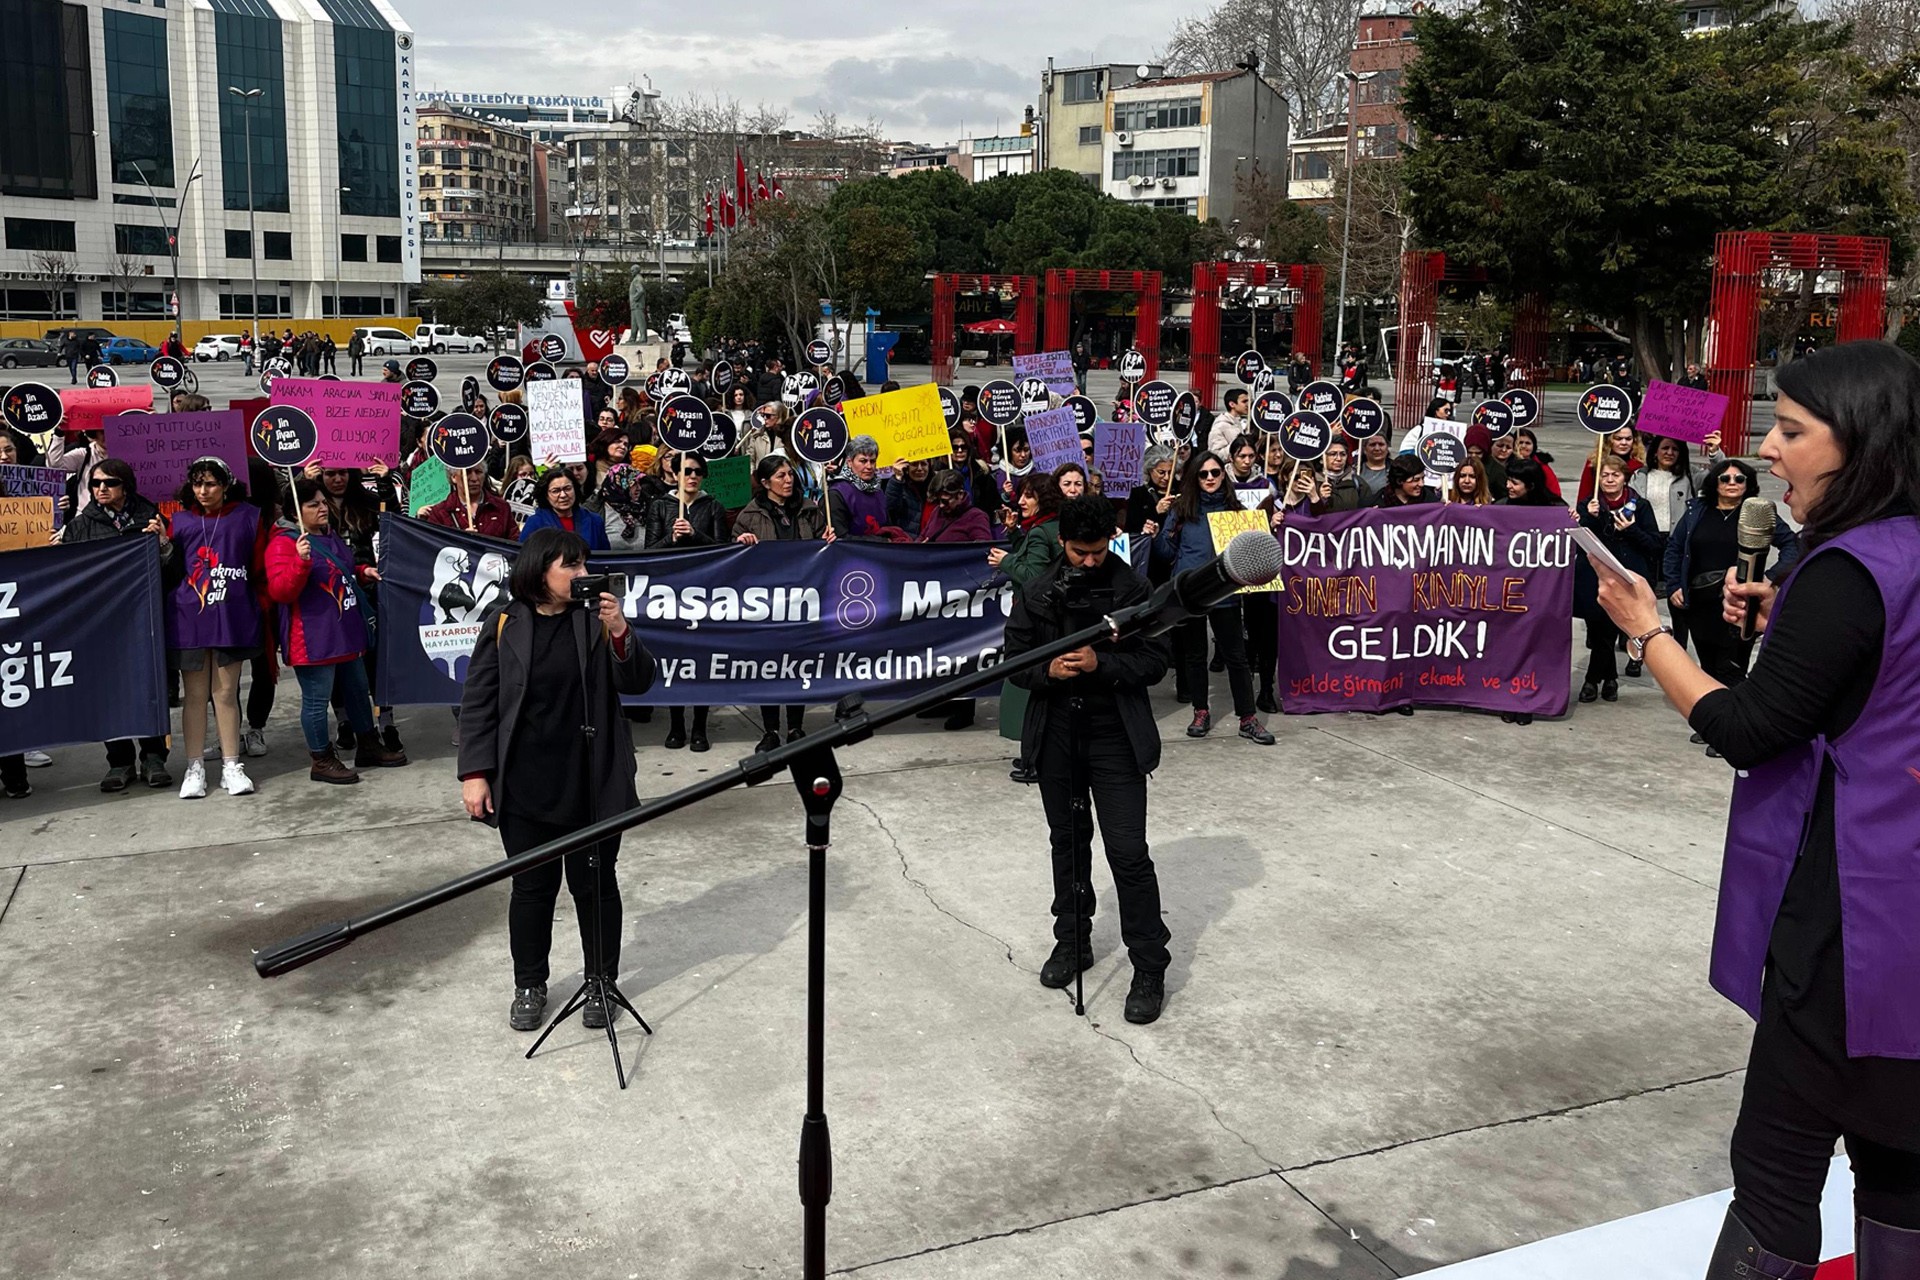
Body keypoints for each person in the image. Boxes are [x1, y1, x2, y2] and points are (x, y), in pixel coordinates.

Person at [1589, 341, 1920, 1279]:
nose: (1765, 450)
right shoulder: (1896, 555)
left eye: (1790, 429)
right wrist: (1793, 622)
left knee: (1777, 1175)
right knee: (1900, 1165)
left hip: (1847, 930)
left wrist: (1648, 632)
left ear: (1861, 445)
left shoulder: (1848, 569)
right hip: (1910, 917)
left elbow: (1748, 727)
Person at [458, 528, 659, 1032]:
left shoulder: (594, 619)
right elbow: (480, 701)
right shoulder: (505, 621)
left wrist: (619, 631)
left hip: (591, 777)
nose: (583, 575)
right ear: (539, 570)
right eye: (570, 566)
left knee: (594, 885)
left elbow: (638, 682)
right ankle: (530, 983)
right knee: (531, 888)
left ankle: (600, 981)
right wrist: (476, 773)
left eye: (585, 565)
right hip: (525, 781)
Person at [1002, 494, 1174, 1024]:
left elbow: (1154, 661)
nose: (1090, 561)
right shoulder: (1036, 591)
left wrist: (1103, 663)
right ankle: (1073, 940)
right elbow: (1014, 662)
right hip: (1058, 733)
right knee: (1068, 843)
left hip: (1115, 736)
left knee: (1127, 852)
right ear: (1062, 543)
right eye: (1080, 552)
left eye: (1099, 551)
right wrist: (1045, 673)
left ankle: (1149, 963)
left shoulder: (1134, 588)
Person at [264, 479, 408, 783]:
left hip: (344, 630)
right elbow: (280, 591)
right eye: (313, 504)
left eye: (323, 502)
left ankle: (368, 744)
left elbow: (340, 569)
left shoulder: (328, 535)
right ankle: (321, 758)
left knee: (357, 690)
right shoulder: (282, 543)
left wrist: (361, 573)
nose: (323, 508)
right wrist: (300, 562)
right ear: (295, 510)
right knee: (317, 699)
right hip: (312, 637)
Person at [60, 458, 176, 790]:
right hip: (102, 624)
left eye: (108, 483)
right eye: (95, 484)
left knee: (148, 688)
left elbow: (172, 574)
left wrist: (164, 545)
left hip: (144, 620)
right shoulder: (81, 525)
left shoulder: (150, 518)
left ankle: (153, 757)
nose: (101, 489)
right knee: (109, 692)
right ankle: (120, 761)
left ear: (126, 485)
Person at [1661, 457, 1799, 729]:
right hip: (1700, 603)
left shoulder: (1757, 513)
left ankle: (1735, 725)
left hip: (1739, 603)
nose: (1732, 483)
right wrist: (1674, 584)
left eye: (1739, 479)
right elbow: (1675, 549)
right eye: (1725, 478)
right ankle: (1715, 722)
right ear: (1715, 483)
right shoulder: (1697, 510)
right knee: (1709, 665)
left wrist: (1771, 579)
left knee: (1732, 667)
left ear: (1748, 485)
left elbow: (1792, 548)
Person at [1153, 451, 1274, 745]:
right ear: (1194, 477)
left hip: (1225, 592)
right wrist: (1163, 527)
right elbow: (1164, 554)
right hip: (1191, 593)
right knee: (1195, 656)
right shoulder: (1181, 509)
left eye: (1215, 473)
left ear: (1224, 475)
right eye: (1203, 474)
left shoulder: (1236, 510)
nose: (1210, 478)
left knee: (1237, 657)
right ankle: (1201, 711)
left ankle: (1247, 717)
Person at [165, 457, 266, 798]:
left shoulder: (248, 517)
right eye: (197, 484)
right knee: (194, 695)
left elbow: (258, 567)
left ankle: (231, 765)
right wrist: (161, 545)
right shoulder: (176, 521)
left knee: (225, 693)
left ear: (225, 485)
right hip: (188, 618)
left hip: (232, 616)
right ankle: (194, 767)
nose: (203, 491)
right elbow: (169, 569)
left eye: (210, 483)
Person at [733, 455, 831, 749]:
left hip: (802, 599)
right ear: (765, 483)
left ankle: (796, 728)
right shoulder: (748, 517)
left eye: (790, 474)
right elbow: (732, 559)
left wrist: (827, 542)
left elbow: (822, 551)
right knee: (769, 666)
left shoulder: (810, 510)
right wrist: (740, 543)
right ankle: (771, 730)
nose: (788, 480)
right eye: (780, 476)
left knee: (797, 664)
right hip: (767, 603)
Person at [646, 453, 725, 752]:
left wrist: (695, 534)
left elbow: (721, 550)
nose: (692, 476)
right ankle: (676, 724)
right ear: (675, 473)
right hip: (671, 592)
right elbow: (649, 551)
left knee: (702, 659)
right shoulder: (661, 506)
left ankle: (700, 727)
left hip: (704, 593)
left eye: (698, 472)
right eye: (687, 471)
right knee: (675, 660)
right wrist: (671, 539)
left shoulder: (713, 506)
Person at [1575, 455, 1661, 704]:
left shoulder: (1640, 506)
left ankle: (1592, 680)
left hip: (1627, 579)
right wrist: (1588, 517)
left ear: (1625, 478)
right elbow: (1580, 542)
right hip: (1594, 579)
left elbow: (1655, 544)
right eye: (1604, 475)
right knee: (1598, 630)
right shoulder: (1588, 504)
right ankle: (1609, 678)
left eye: (1615, 475)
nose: (1609, 480)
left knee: (1609, 631)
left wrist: (1630, 530)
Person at [421, 461, 517, 538]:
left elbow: (515, 544)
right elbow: (434, 550)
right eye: (467, 472)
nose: (474, 478)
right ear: (454, 477)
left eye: (478, 472)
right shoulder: (440, 513)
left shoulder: (502, 507)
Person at [520, 469, 609, 550]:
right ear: (546, 495)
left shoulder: (594, 521)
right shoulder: (535, 522)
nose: (563, 495)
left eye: (567, 489)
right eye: (556, 491)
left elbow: (604, 560)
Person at [827, 435, 894, 539]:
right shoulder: (837, 494)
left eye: (872, 461)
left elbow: (887, 526)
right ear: (849, 462)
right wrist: (879, 542)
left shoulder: (878, 491)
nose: (869, 466)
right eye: (863, 461)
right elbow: (840, 538)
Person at [1577, 426, 1646, 507]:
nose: (1624, 443)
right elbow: (1584, 494)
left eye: (1628, 439)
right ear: (1608, 440)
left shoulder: (1639, 464)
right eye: (1618, 438)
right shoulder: (1595, 461)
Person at [1372, 455, 1437, 508]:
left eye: (1422, 478)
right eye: (1416, 480)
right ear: (1399, 481)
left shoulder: (1430, 500)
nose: (1421, 484)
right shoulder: (1378, 501)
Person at [1207, 388, 1251, 456]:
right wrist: (1238, 444)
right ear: (1232, 404)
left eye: (1249, 401)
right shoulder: (1220, 425)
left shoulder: (1243, 422)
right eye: (1244, 401)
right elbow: (1216, 455)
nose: (1248, 404)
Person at [1354, 434, 1393, 501]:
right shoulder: (1354, 470)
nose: (1377, 448)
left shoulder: (1396, 469)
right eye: (1372, 445)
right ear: (1364, 449)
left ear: (1387, 448)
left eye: (1381, 444)